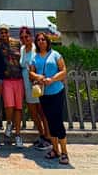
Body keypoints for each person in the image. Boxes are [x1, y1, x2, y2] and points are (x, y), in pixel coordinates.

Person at [29, 33, 70, 166]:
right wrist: (38, 77)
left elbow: (63, 70)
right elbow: (31, 73)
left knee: (57, 121)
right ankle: (55, 149)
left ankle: (64, 152)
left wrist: (52, 79)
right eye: (39, 40)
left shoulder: (56, 55)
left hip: (56, 91)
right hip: (43, 93)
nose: (41, 42)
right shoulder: (34, 58)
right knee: (49, 120)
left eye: (43, 39)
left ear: (47, 41)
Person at [19, 26, 50, 150]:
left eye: (26, 36)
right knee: (33, 113)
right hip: (27, 84)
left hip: (37, 83)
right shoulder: (22, 49)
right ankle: (41, 135)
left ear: (31, 37)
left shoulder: (35, 49)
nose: (24, 39)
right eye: (22, 37)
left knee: (42, 112)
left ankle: (48, 137)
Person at [0, 23, 25, 147]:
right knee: (9, 106)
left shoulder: (17, 43)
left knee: (18, 108)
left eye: (5, 32)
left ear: (9, 32)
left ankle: (18, 134)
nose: (4, 34)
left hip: (18, 78)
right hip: (6, 79)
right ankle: (9, 123)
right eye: (1, 32)